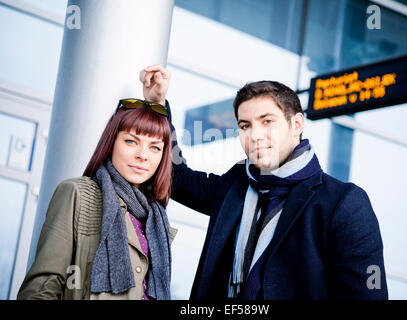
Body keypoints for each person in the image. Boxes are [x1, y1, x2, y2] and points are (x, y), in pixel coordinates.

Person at [141, 65, 388, 300]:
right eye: (245, 126)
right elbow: (176, 176)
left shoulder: (342, 203)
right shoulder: (234, 184)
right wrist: (156, 107)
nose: (255, 135)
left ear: (297, 124)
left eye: (267, 121)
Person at [18, 71, 177, 300]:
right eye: (131, 141)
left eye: (155, 147)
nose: (143, 155)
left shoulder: (156, 217)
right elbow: (42, 287)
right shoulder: (78, 193)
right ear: (112, 143)